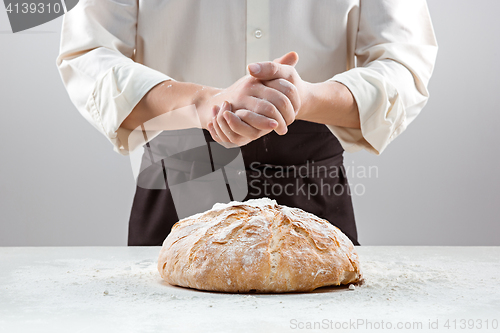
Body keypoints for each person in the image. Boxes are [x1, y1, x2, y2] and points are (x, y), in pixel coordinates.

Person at [57, 0, 438, 246]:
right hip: (179, 175)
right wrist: (200, 101)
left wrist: (303, 98)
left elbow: (404, 63)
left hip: (311, 181)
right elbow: (88, 53)